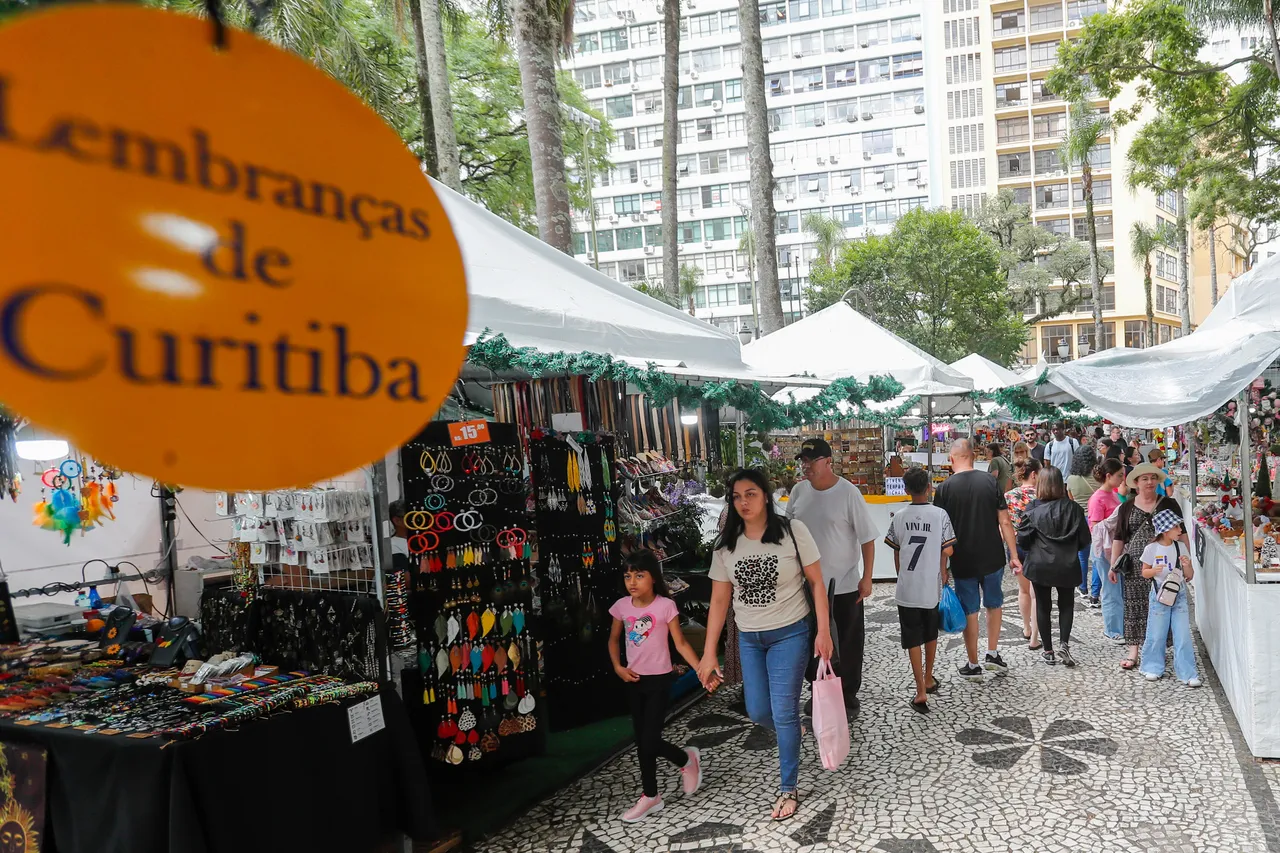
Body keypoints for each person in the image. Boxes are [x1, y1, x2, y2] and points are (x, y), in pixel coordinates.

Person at [699, 469, 833, 822]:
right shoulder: (726, 546)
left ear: (766, 496)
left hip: (790, 633)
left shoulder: (791, 532)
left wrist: (823, 631)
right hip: (750, 637)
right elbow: (718, 602)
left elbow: (817, 583)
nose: (743, 502)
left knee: (784, 710)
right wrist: (709, 651)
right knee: (759, 712)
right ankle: (796, 731)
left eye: (751, 494)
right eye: (737, 496)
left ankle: (788, 788)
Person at [609, 550, 708, 822]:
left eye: (639, 575)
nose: (632, 581)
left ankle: (686, 760)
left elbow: (681, 643)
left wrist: (702, 668)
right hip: (634, 681)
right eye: (628, 576)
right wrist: (618, 667)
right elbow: (613, 640)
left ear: (653, 577)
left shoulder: (666, 606)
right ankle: (650, 795)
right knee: (643, 742)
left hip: (660, 681)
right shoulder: (621, 607)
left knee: (650, 740)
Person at [788, 437, 878, 716]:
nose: (806, 467)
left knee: (848, 642)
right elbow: (788, 533)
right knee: (810, 640)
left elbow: (867, 538)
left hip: (844, 584)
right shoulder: (798, 492)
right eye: (803, 461)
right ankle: (818, 689)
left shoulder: (848, 493)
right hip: (806, 587)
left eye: (811, 461)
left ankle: (847, 693)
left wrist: (868, 578)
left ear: (828, 462)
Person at [933, 439, 1022, 680]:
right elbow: (1005, 521)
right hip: (992, 555)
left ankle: (973, 664)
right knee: (994, 604)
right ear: (974, 456)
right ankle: (992, 653)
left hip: (963, 560)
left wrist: (942, 568)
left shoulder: (944, 489)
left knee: (970, 610)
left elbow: (941, 534)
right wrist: (1014, 556)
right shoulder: (991, 482)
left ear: (952, 459)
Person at [885, 467, 954, 713]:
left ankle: (920, 690)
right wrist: (943, 570)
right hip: (931, 586)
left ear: (905, 489)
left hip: (907, 588)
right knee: (930, 632)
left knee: (912, 636)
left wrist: (901, 575)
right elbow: (948, 550)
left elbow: (896, 550)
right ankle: (928, 676)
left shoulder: (899, 516)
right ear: (929, 488)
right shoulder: (940, 515)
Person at [1110, 463, 1185, 670]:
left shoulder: (1168, 504)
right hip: (1135, 566)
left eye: (1153, 478)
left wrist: (1186, 561)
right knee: (1134, 606)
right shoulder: (1126, 507)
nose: (1150, 482)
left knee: (1163, 603)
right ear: (1136, 483)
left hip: (1165, 564)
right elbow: (1119, 537)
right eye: (1145, 479)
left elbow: (1183, 533)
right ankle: (1133, 650)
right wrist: (1113, 565)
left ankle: (1158, 646)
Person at [1017, 467, 1092, 667]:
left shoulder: (1032, 508)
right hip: (1067, 563)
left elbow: (1022, 540)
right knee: (1066, 604)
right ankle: (1064, 644)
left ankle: (1048, 650)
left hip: (1040, 564)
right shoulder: (1074, 509)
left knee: (1043, 605)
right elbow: (1085, 540)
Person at [1138, 511, 1202, 687]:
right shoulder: (1151, 549)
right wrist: (1154, 571)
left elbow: (1189, 576)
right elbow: (1144, 572)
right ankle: (1152, 666)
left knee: (1182, 634)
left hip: (1179, 594)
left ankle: (1188, 672)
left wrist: (1188, 566)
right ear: (1165, 530)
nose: (1180, 530)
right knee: (1156, 632)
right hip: (1159, 595)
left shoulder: (1180, 547)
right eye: (1176, 527)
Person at [1088, 459, 1127, 642]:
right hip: (1104, 551)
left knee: (1119, 588)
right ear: (1109, 476)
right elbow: (1095, 529)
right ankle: (1113, 629)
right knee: (1111, 590)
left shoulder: (1114, 493)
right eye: (1120, 475)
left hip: (1116, 548)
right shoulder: (1097, 498)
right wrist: (1114, 519)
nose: (1122, 479)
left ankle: (1121, 625)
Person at [1005, 458, 1043, 649]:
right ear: (1034, 474)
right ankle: (1035, 636)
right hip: (1040, 546)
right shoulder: (1043, 494)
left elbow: (1003, 525)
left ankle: (1026, 627)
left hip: (1016, 546)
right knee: (1037, 594)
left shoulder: (1009, 496)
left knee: (1023, 590)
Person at [1066, 444, 1101, 606]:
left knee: (1082, 556)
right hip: (1098, 519)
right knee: (1097, 557)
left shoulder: (1071, 480)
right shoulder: (1098, 477)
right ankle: (1095, 594)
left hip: (1080, 520)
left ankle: (1082, 587)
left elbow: (1071, 501)